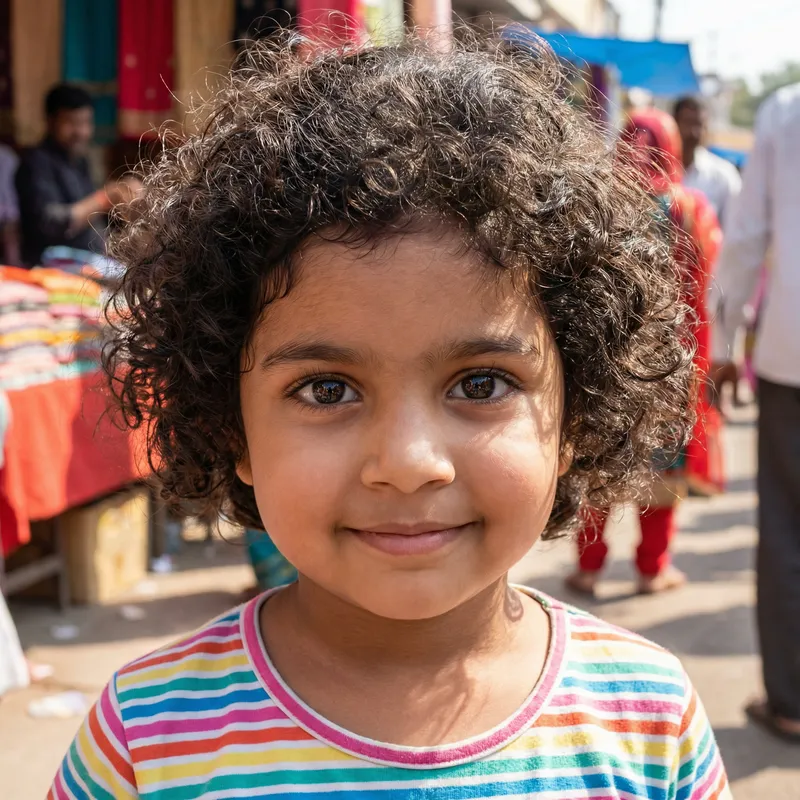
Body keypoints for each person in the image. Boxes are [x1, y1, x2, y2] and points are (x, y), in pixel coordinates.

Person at [49, 35, 730, 798]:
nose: (408, 461)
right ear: (231, 424)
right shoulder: (147, 738)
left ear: (573, 414)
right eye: (327, 390)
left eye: (480, 384)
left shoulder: (649, 722)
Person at [566, 108, 723, 599]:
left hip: (608, 356)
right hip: (671, 364)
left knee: (599, 466)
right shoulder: (691, 209)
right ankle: (652, 569)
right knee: (662, 471)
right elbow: (705, 285)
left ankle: (589, 569)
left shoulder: (600, 202)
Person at [711, 84, 800, 744]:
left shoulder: (786, 111)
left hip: (792, 359)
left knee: (788, 531)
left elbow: (745, 238)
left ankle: (791, 701)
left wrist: (722, 344)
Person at [14, 84, 141, 267]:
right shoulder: (35, 163)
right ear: (50, 121)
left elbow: (94, 218)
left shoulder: (80, 161)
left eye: (86, 123)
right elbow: (51, 223)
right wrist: (105, 197)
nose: (81, 132)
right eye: (72, 123)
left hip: (89, 264)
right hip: (50, 269)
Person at [673, 96, 741, 225]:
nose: (694, 133)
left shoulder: (724, 175)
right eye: (687, 123)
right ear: (673, 125)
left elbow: (734, 228)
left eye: (699, 125)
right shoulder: (656, 172)